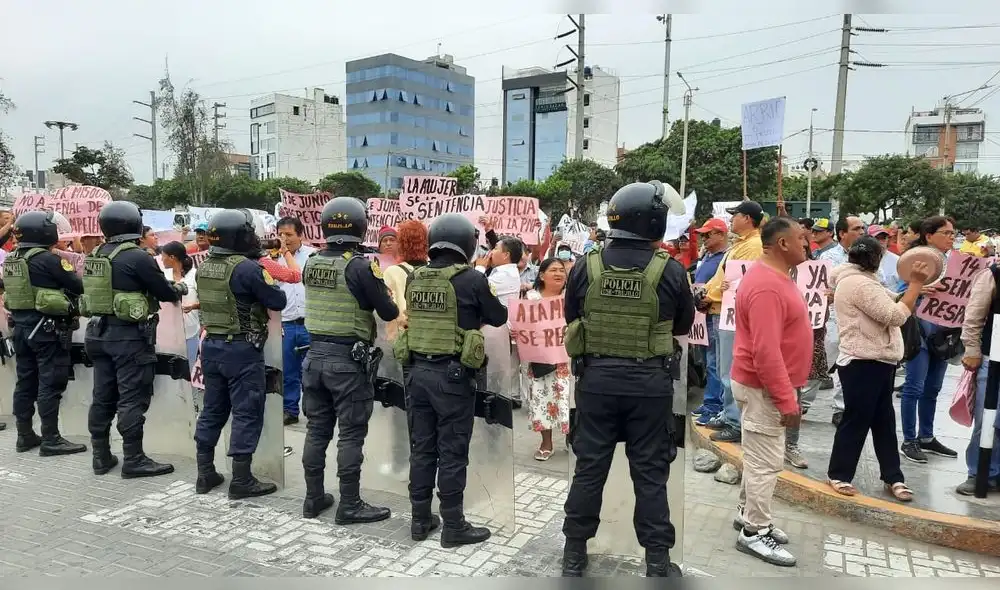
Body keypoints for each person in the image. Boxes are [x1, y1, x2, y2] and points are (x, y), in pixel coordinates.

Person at [561, 181, 695, 578]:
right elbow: (684, 323)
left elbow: (572, 315)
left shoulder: (587, 265)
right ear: (653, 221)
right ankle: (656, 560)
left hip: (596, 383)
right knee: (651, 474)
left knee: (589, 469)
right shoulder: (669, 270)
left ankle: (573, 556)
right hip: (649, 386)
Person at [394, 213, 508, 548]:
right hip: (452, 379)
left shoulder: (416, 277)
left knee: (422, 448)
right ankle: (454, 525)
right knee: (452, 451)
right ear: (467, 244)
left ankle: (419, 520)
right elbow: (498, 316)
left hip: (416, 374)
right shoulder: (472, 279)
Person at [299, 197, 400, 521]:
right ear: (360, 226)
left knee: (317, 430)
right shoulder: (360, 265)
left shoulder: (311, 261)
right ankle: (350, 504)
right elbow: (388, 311)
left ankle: (313, 498)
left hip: (314, 357)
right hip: (347, 361)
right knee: (351, 434)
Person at [82, 201, 187, 478]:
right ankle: (134, 459)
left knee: (102, 397)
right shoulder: (137, 256)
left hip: (97, 334)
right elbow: (164, 292)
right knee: (131, 398)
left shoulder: (96, 254)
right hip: (128, 338)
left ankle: (101, 456)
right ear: (134, 225)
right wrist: (179, 287)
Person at [729, 216, 810, 567]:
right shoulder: (766, 285)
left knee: (757, 457)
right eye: (802, 239)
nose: (807, 245)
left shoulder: (776, 278)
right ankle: (754, 532)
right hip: (763, 388)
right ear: (783, 244)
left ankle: (748, 513)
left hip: (765, 386)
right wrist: (785, 398)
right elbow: (765, 351)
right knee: (766, 463)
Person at [192, 209, 288, 498]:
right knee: (247, 412)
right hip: (242, 350)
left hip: (211, 347)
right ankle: (242, 479)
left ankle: (205, 473)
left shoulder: (204, 266)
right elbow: (277, 300)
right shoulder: (247, 269)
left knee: (212, 410)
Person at [827, 236, 926, 502]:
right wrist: (915, 284)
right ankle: (839, 474)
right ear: (877, 258)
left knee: (883, 421)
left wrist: (918, 289)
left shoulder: (867, 282)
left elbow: (896, 301)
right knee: (857, 420)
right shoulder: (859, 284)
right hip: (863, 361)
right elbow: (895, 315)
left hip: (878, 361)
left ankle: (893, 476)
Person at [5, 211, 86, 456]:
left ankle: (24, 434)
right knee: (50, 382)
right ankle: (51, 438)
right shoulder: (48, 259)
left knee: (25, 382)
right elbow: (77, 285)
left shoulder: (12, 258)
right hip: (46, 329)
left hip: (20, 327)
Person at [699, 201, 765, 444]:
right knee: (720, 366)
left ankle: (735, 422)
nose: (731, 219)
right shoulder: (741, 245)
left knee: (729, 370)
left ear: (747, 218)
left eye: (734, 215)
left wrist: (711, 294)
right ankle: (728, 414)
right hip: (721, 311)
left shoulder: (753, 246)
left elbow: (738, 281)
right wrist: (708, 292)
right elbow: (722, 278)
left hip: (732, 313)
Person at [899, 215, 960, 463]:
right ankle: (909, 439)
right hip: (919, 333)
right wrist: (917, 290)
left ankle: (926, 436)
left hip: (944, 334)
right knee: (914, 386)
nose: (951, 237)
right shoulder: (914, 261)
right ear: (928, 235)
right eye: (946, 233)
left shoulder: (955, 263)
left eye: (952, 233)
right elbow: (895, 292)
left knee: (933, 388)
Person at [957, 258, 1000, 496]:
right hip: (993, 360)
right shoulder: (992, 275)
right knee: (987, 420)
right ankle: (979, 472)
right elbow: (973, 316)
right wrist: (972, 349)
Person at [819, 215, 865, 426]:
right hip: (832, 319)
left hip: (858, 320)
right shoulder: (828, 259)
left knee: (846, 364)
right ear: (842, 234)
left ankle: (841, 408)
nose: (862, 232)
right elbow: (819, 289)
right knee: (824, 363)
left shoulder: (869, 258)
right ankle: (801, 402)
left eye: (863, 228)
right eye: (856, 228)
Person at [523, 258, 571, 461]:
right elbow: (522, 325)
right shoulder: (531, 298)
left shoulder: (570, 298)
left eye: (562, 270)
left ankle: (572, 438)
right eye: (553, 270)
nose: (559, 273)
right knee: (543, 399)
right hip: (541, 359)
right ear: (542, 275)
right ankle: (546, 442)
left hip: (567, 358)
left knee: (570, 400)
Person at [275, 217, 317, 425]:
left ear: (301, 235)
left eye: (289, 235)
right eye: (280, 234)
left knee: (311, 371)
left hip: (310, 323)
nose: (284, 239)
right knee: (289, 371)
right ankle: (289, 410)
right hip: (286, 324)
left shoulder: (313, 256)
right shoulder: (273, 259)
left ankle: (312, 411)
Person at [691, 218, 728, 424]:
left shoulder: (726, 258)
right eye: (702, 235)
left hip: (714, 312)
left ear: (721, 234)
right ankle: (711, 401)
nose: (703, 239)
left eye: (707, 235)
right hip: (702, 314)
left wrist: (709, 297)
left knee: (715, 362)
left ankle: (714, 406)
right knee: (707, 360)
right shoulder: (707, 256)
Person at [382, 220, 428, 341]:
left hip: (400, 338)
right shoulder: (434, 270)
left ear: (401, 244)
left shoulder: (392, 272)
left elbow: (387, 308)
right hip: (426, 337)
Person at [160, 241, 200, 370]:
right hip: (169, 333)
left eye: (163, 256)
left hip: (190, 330)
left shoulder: (194, 275)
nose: (161, 259)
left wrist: (193, 306)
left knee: (189, 368)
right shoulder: (162, 276)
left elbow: (207, 301)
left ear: (172, 257)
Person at [476, 236, 523, 307]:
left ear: (506, 255)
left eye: (495, 248)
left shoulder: (506, 276)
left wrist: (480, 267)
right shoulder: (509, 272)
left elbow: (474, 288)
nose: (491, 252)